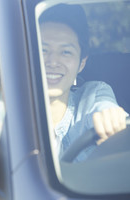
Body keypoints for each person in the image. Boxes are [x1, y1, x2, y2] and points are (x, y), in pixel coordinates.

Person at [39, 4, 127, 161]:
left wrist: (113, 119)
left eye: (66, 52)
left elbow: (105, 107)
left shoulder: (93, 95)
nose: (53, 62)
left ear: (81, 63)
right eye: (43, 50)